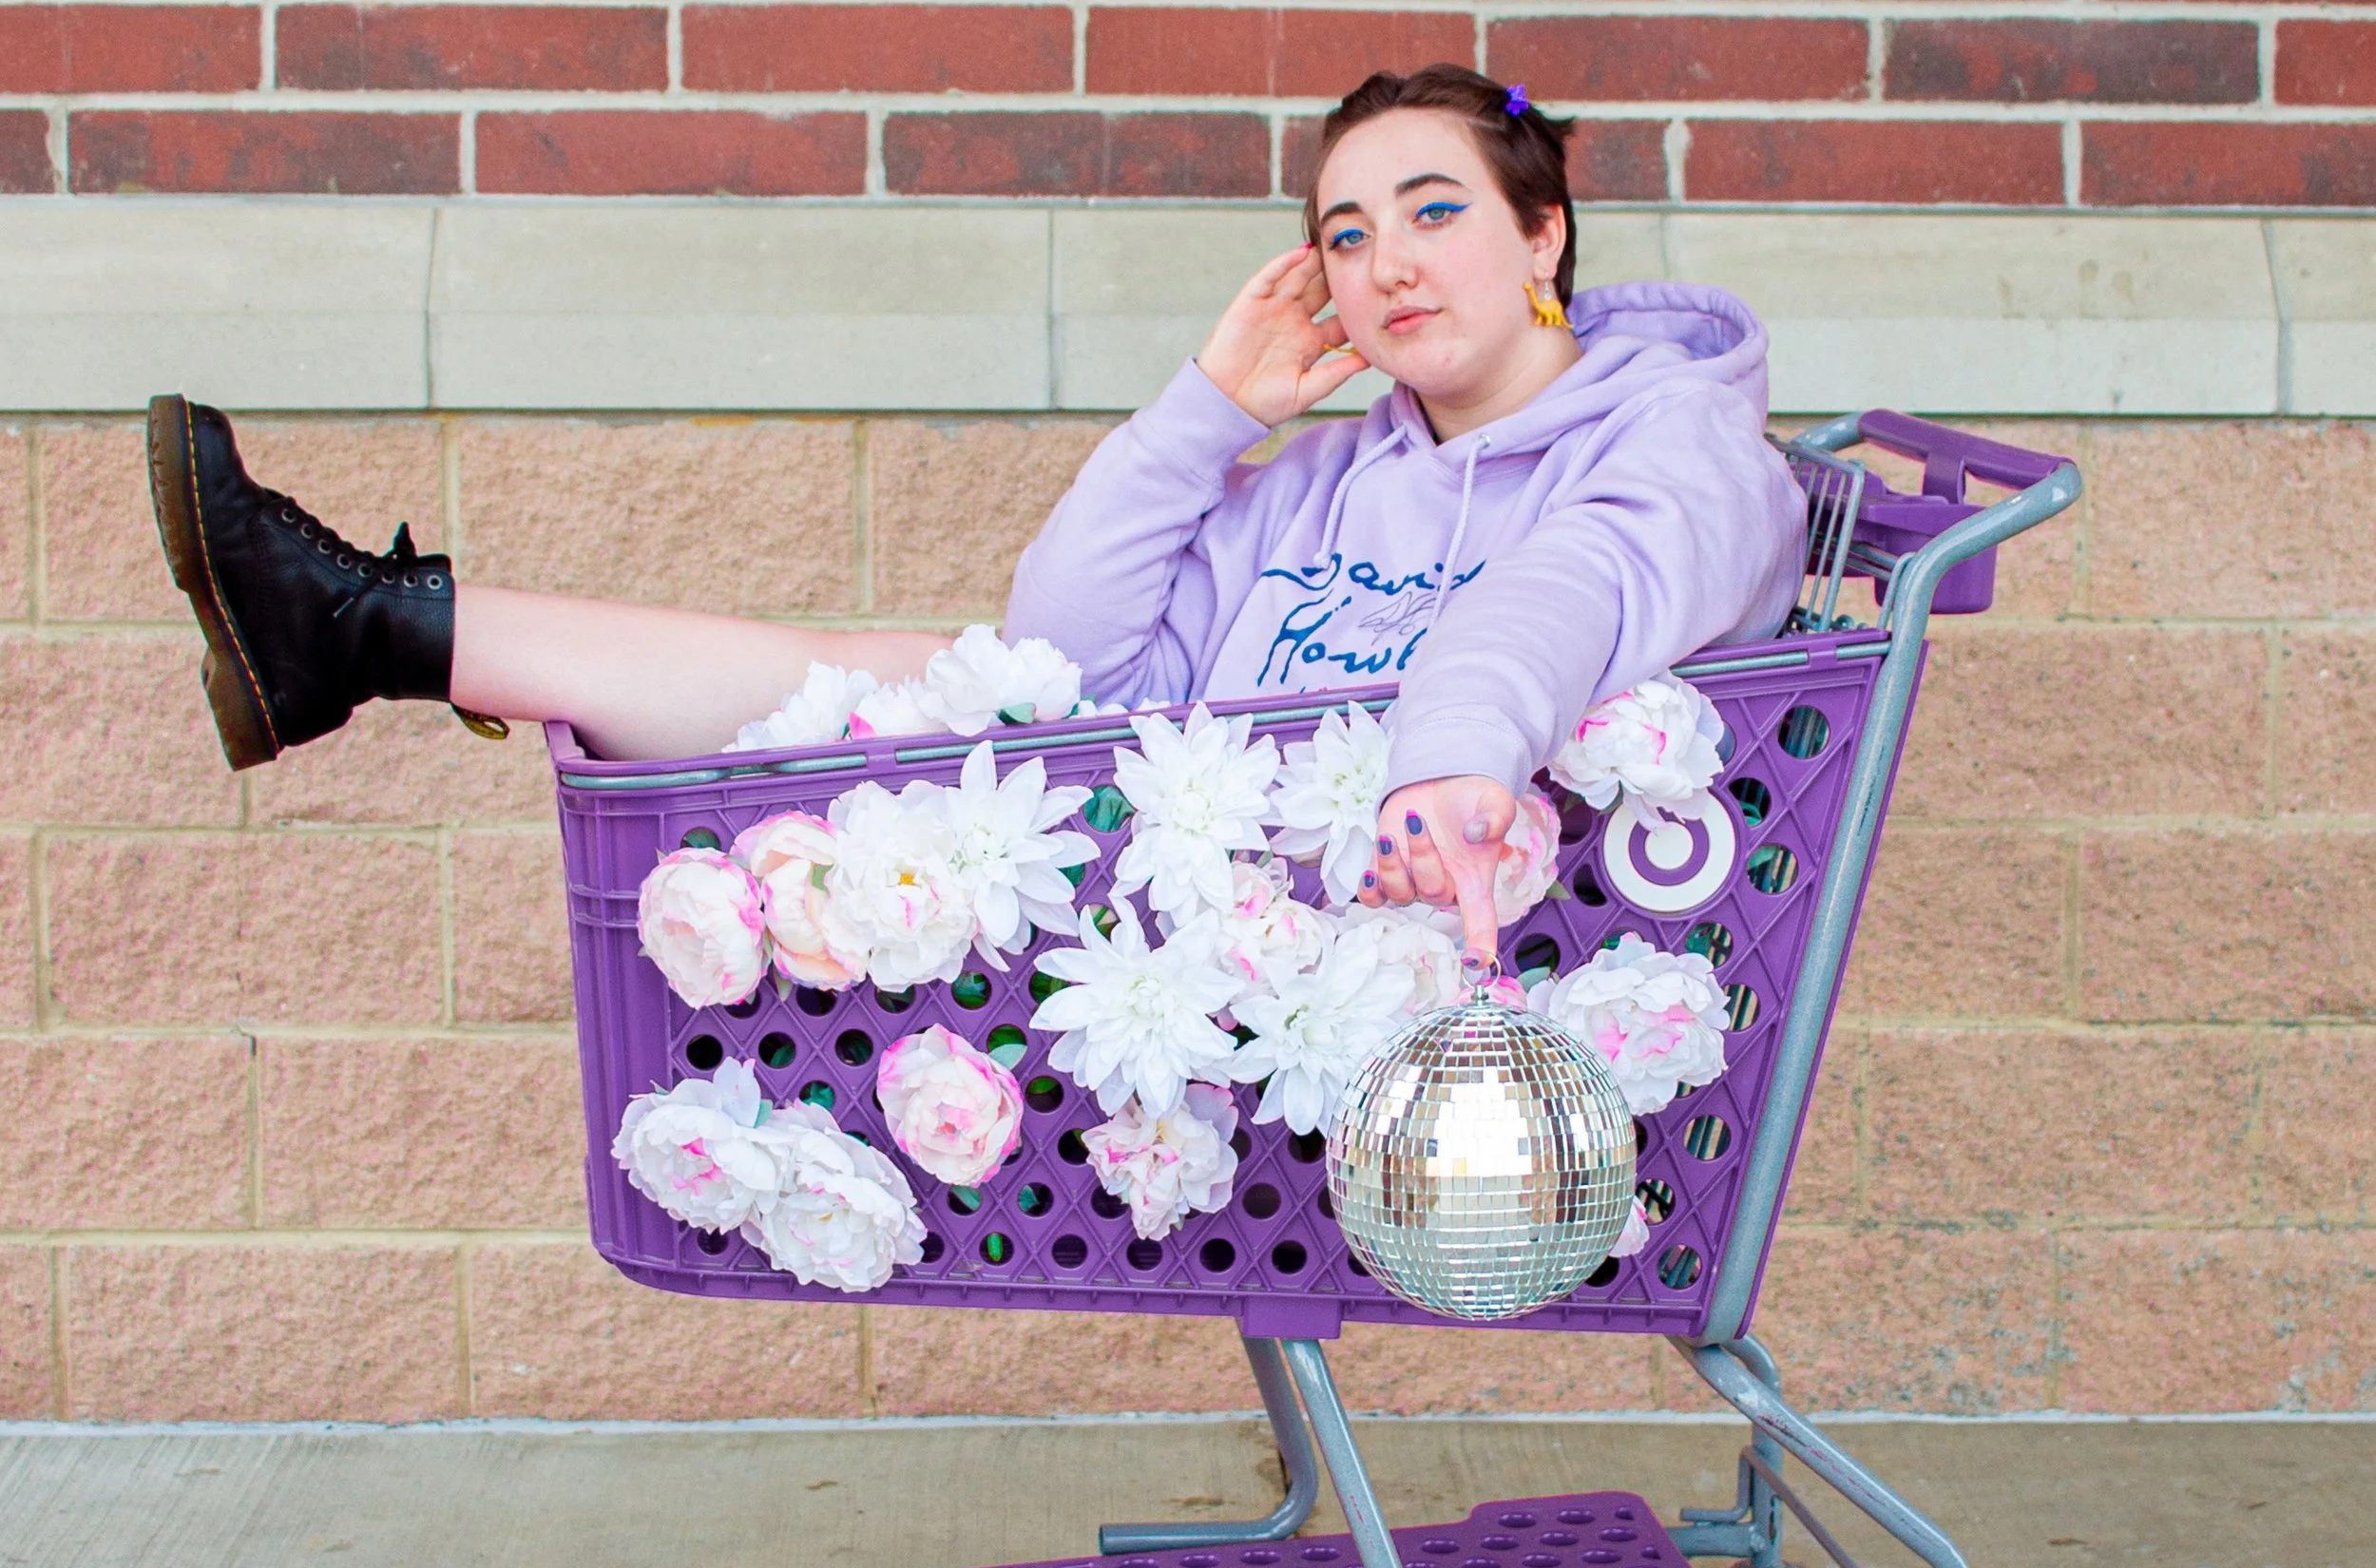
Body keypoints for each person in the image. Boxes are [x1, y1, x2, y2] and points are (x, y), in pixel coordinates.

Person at [145, 64, 1804, 966]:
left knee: (902, 714)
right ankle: (366, 625)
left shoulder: (1677, 440)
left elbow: (1572, 588)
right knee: (905, 672)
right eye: (1347, 232)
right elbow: (1063, 653)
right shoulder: (1340, 468)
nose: (1384, 264)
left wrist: (1454, 765)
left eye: (1434, 212)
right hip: (1187, 824)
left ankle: (358, 626)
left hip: (1366, 909)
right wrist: (1209, 412)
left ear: (1544, 239)